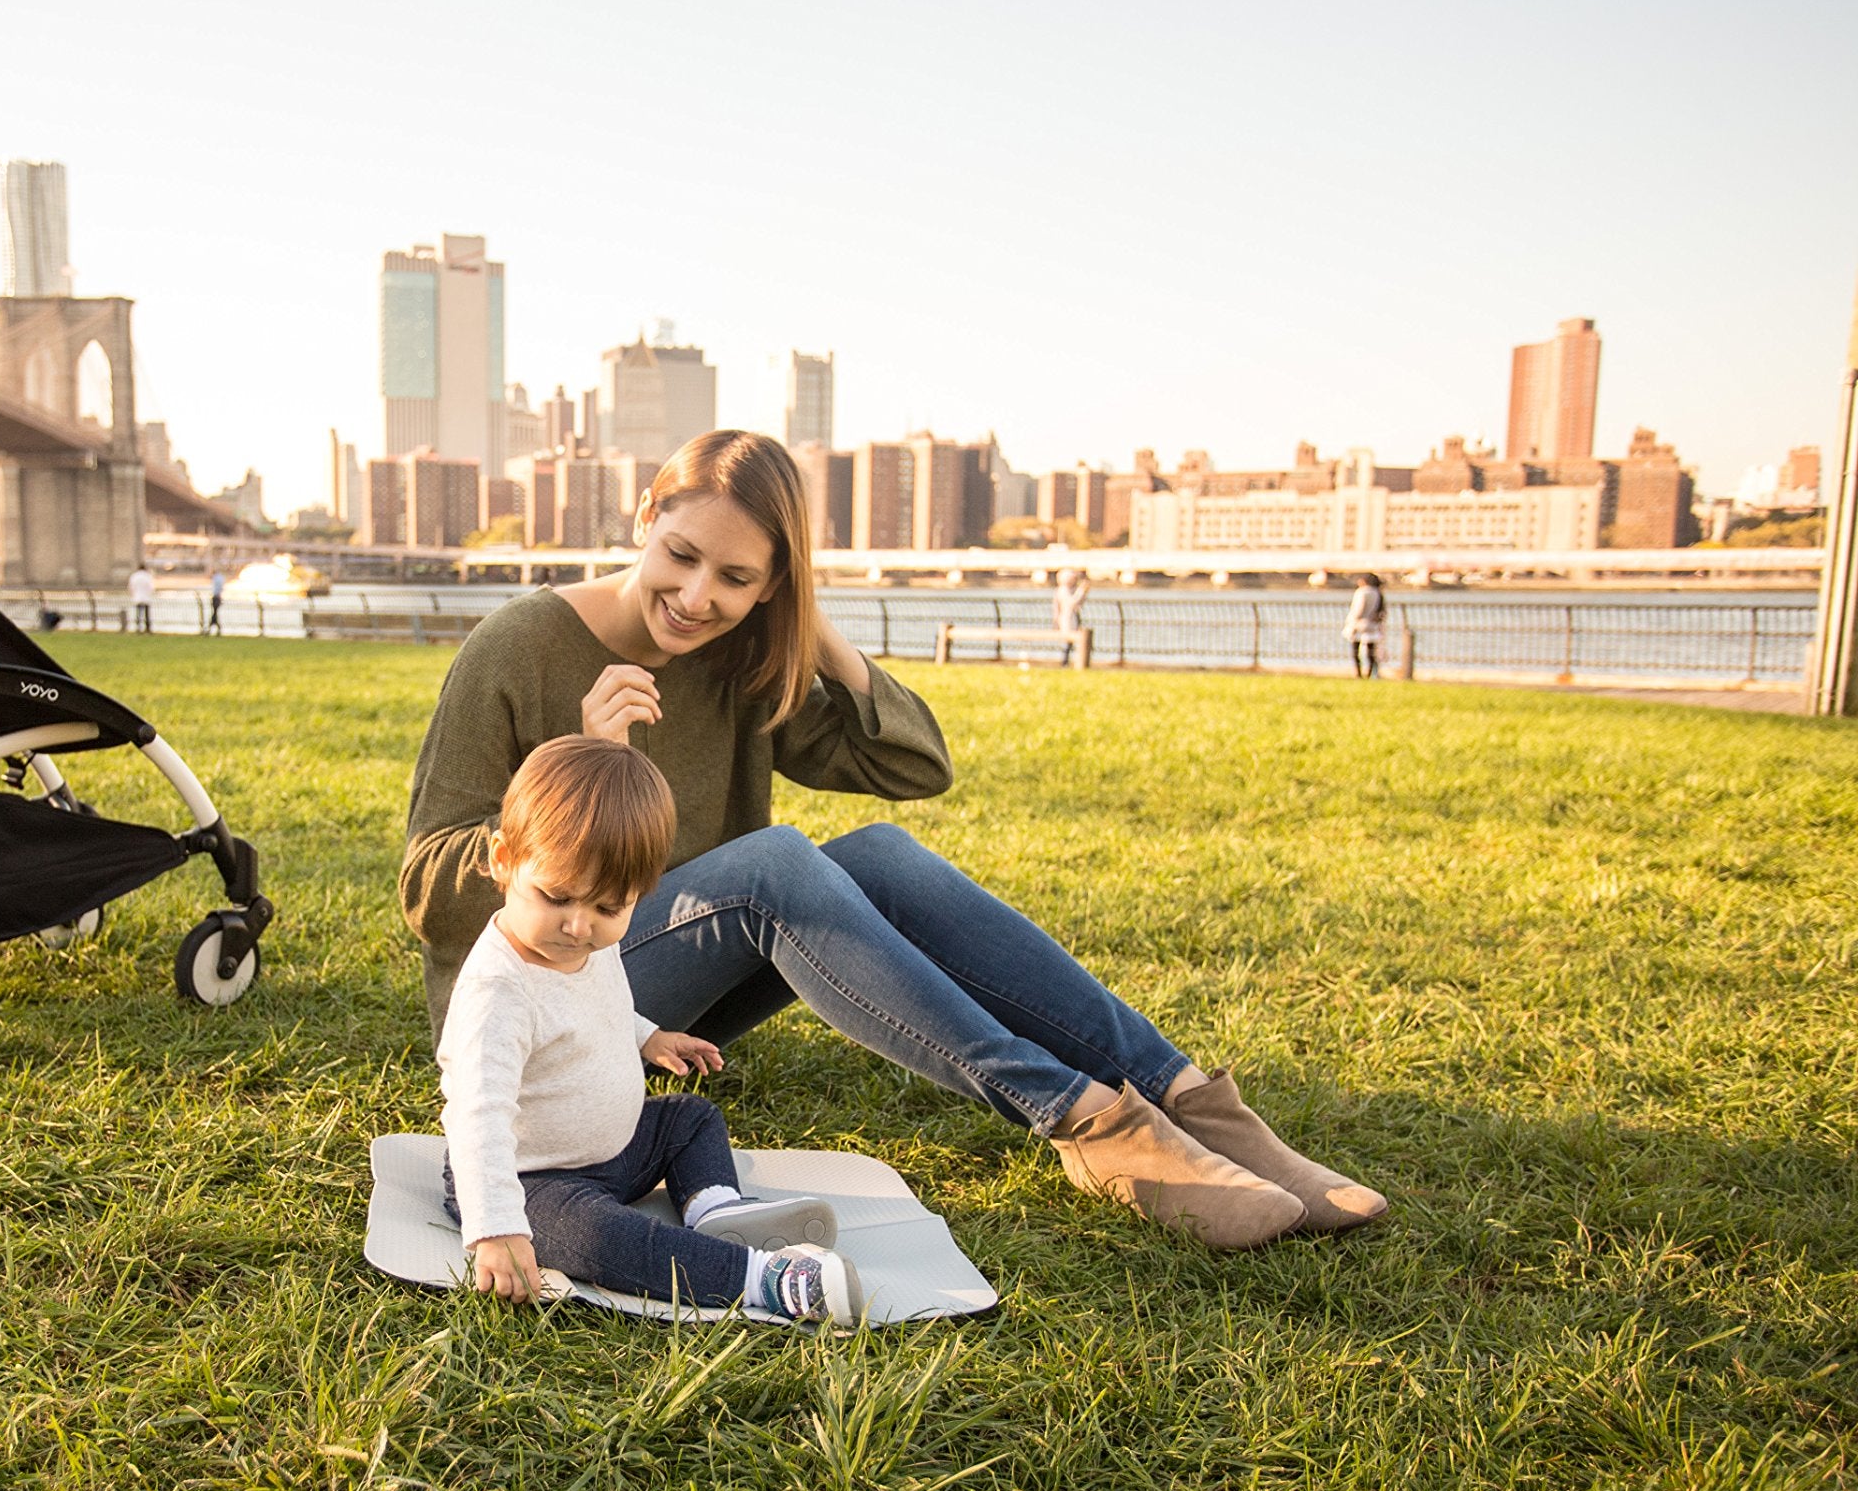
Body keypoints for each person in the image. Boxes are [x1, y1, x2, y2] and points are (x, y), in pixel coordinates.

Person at [403, 430, 1385, 1251]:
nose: (697, 596)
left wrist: (814, 638)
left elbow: (918, 770)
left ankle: (1186, 1102)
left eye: (738, 578)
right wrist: (578, 769)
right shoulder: (518, 647)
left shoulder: (737, 655)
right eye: (682, 555)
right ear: (645, 519)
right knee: (777, 863)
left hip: (645, 995)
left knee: (878, 855)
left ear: (773, 587)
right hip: (529, 1004)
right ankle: (1084, 1121)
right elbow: (426, 887)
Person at [441, 733, 864, 1323]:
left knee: (690, 1119)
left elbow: (599, 1005)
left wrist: (647, 1036)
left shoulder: (588, 946)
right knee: (602, 1238)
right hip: (528, 1177)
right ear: (503, 860)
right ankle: (765, 1280)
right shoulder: (498, 991)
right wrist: (496, 1227)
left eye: (607, 909)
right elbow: (477, 1115)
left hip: (612, 1153)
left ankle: (716, 1212)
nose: (578, 926)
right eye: (556, 896)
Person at [1344, 572, 1387, 679]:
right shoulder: (1378, 593)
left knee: (1355, 650)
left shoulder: (1362, 592)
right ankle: (1370, 673)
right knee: (1371, 651)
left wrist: (1351, 621)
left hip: (1358, 624)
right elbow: (1382, 612)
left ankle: (1358, 673)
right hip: (1372, 625)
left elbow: (1358, 609)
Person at [1051, 566, 1092, 666]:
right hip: (1067, 618)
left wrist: (1083, 592)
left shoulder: (1070, 590)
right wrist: (1081, 591)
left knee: (1071, 642)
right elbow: (1072, 602)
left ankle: (1068, 661)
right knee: (1068, 641)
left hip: (1073, 617)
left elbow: (1079, 603)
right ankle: (1064, 662)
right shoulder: (1063, 590)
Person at [128, 559, 158, 633]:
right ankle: (148, 628)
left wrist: (133, 594)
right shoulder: (148, 576)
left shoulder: (134, 576)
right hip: (146, 598)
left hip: (137, 597)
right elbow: (151, 587)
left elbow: (131, 587)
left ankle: (138, 627)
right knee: (147, 614)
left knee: (138, 613)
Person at [206, 566, 227, 635]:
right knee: (215, 613)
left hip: (216, 597)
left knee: (214, 613)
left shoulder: (216, 578)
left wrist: (216, 595)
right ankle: (215, 628)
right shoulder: (220, 577)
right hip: (218, 597)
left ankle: (212, 627)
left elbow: (217, 588)